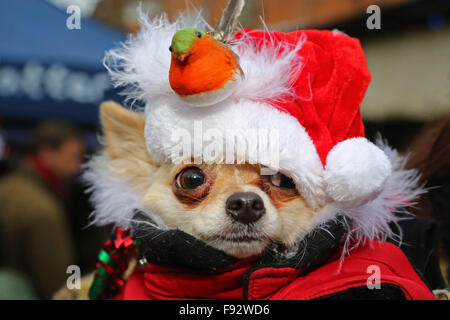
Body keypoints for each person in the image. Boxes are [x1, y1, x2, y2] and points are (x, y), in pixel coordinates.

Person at [0, 120, 85, 299]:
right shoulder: (44, 209)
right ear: (47, 152)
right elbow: (60, 279)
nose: (76, 168)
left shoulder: (6, 186)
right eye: (73, 157)